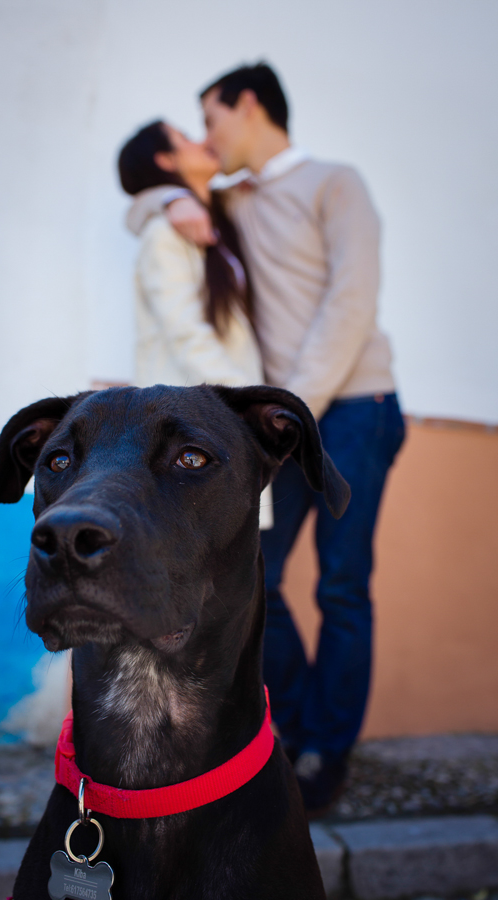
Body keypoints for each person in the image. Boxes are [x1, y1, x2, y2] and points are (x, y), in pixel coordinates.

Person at [129, 63, 405, 814]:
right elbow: (149, 202)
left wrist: (292, 418)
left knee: (342, 586)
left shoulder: (334, 182)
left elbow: (352, 302)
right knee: (258, 578)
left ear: (248, 104)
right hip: (279, 427)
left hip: (350, 407)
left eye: (211, 118)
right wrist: (161, 196)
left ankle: (325, 751)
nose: (209, 139)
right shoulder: (233, 200)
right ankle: (287, 730)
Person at [118, 119, 272, 528]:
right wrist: (249, 402)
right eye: (187, 137)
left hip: (217, 416)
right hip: (191, 423)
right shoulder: (163, 235)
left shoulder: (214, 219)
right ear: (166, 160)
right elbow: (186, 334)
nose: (204, 139)